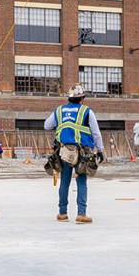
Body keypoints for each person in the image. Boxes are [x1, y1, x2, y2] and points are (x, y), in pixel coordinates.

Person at [44, 83, 105, 224]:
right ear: (82, 98)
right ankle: (81, 214)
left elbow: (47, 125)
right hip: (82, 152)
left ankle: (62, 213)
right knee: (81, 181)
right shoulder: (86, 111)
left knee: (64, 182)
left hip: (64, 151)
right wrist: (100, 150)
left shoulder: (59, 111)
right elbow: (96, 133)